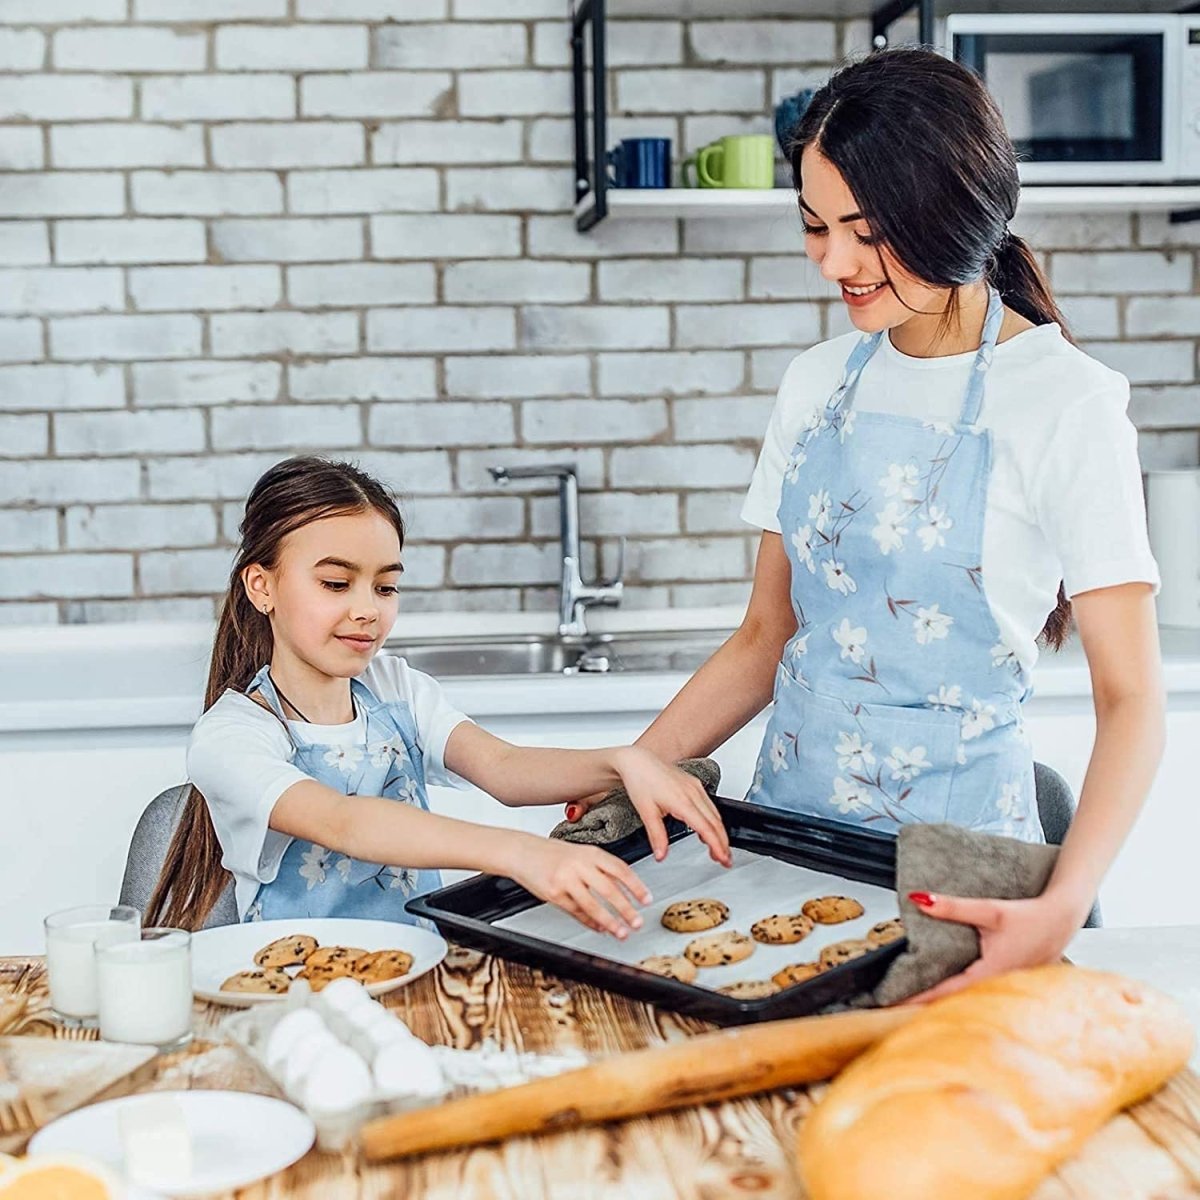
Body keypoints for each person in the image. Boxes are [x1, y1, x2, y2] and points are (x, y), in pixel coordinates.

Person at [576, 49, 1165, 999]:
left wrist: (1066, 895)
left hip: (963, 876)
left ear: (955, 214)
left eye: (867, 230)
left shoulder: (1066, 401)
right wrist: (636, 767)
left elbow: (1133, 699)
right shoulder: (817, 383)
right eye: (815, 226)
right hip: (787, 851)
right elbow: (767, 636)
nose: (834, 263)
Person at [147, 456, 730, 937]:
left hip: (423, 965)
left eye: (386, 585)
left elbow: (503, 769)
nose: (367, 609)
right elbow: (344, 822)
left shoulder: (394, 690)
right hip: (306, 989)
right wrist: (521, 854)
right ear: (262, 586)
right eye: (335, 583)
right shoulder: (232, 736)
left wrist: (624, 762)